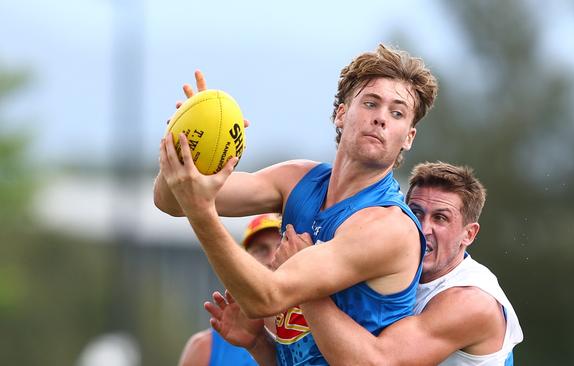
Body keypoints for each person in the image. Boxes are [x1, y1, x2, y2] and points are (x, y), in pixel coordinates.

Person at [154, 44, 438, 364]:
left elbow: (267, 297)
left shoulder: (388, 227)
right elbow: (172, 201)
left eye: (397, 113)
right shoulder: (298, 179)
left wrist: (202, 213)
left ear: (408, 137)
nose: (381, 119)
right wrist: (184, 147)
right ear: (341, 114)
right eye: (371, 103)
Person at [206, 162, 523, 365]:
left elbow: (376, 363)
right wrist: (257, 343)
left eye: (441, 218)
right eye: (416, 213)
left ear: (469, 234)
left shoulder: (471, 302)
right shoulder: (385, 277)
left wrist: (308, 288)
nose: (424, 228)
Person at [178, 213, 283, 366]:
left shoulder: (317, 335)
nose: (272, 258)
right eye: (261, 249)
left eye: (281, 247)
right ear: (242, 263)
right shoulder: (205, 348)